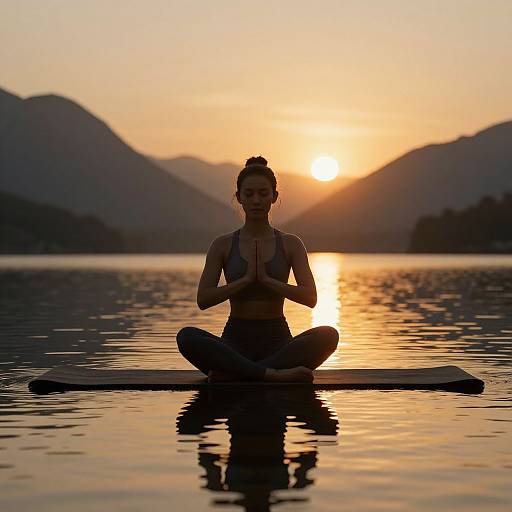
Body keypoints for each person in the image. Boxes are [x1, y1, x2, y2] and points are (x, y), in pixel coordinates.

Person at [176, 156, 339, 383]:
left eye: (263, 194)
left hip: (278, 341)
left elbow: (310, 298)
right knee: (186, 337)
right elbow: (203, 299)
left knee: (328, 335)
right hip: (234, 341)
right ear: (239, 198)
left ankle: (237, 372)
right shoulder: (222, 244)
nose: (256, 200)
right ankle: (270, 374)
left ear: (274, 197)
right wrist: (244, 281)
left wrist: (266, 280)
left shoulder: (291, 243)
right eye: (249, 194)